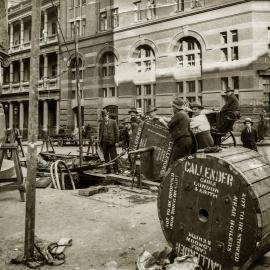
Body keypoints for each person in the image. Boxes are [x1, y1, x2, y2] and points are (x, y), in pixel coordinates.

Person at [167, 98, 193, 162]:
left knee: (176, 162)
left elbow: (169, 126)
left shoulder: (178, 114)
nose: (172, 109)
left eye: (172, 107)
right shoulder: (184, 113)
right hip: (188, 140)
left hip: (181, 141)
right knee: (185, 161)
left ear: (175, 107)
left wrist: (162, 121)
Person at [98, 110, 119, 174]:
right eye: (103, 116)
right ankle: (108, 170)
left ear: (108, 115)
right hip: (104, 142)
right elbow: (100, 133)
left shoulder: (113, 122)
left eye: (105, 116)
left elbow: (116, 132)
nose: (104, 117)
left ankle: (116, 170)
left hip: (111, 142)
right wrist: (100, 142)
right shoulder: (102, 124)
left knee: (114, 156)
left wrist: (117, 141)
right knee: (106, 156)